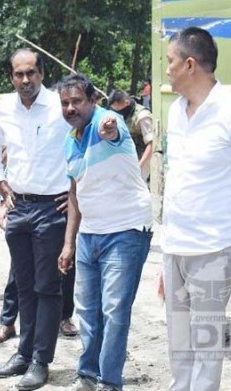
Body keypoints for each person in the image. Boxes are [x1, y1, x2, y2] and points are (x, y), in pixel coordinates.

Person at [161, 27, 231, 391]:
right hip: (175, 247)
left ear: (189, 64)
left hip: (214, 248)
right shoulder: (175, 113)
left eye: (170, 61)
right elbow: (178, 181)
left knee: (206, 342)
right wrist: (167, 249)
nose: (166, 69)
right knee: (178, 342)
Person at [56, 74, 153, 391]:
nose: (71, 107)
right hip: (90, 234)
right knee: (87, 310)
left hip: (126, 231)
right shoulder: (70, 139)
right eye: (65, 103)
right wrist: (69, 243)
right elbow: (75, 194)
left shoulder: (108, 124)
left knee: (114, 309)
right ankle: (87, 374)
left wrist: (109, 122)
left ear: (92, 101)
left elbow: (111, 125)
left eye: (77, 101)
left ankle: (110, 382)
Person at [0, 48, 71, 390]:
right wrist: (0, 183)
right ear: (11, 77)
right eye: (18, 74)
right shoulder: (4, 108)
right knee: (24, 287)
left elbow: (90, 137)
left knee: (47, 287)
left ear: (41, 73)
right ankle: (22, 354)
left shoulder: (61, 106)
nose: (25, 80)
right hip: (18, 207)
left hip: (53, 208)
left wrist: (76, 190)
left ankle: (40, 361)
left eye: (31, 73)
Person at [108, 90, 154, 181]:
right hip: (127, 159)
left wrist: (140, 165)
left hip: (142, 159)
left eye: (120, 110)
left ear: (127, 103)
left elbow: (151, 144)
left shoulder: (142, 116)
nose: (119, 112)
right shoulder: (123, 115)